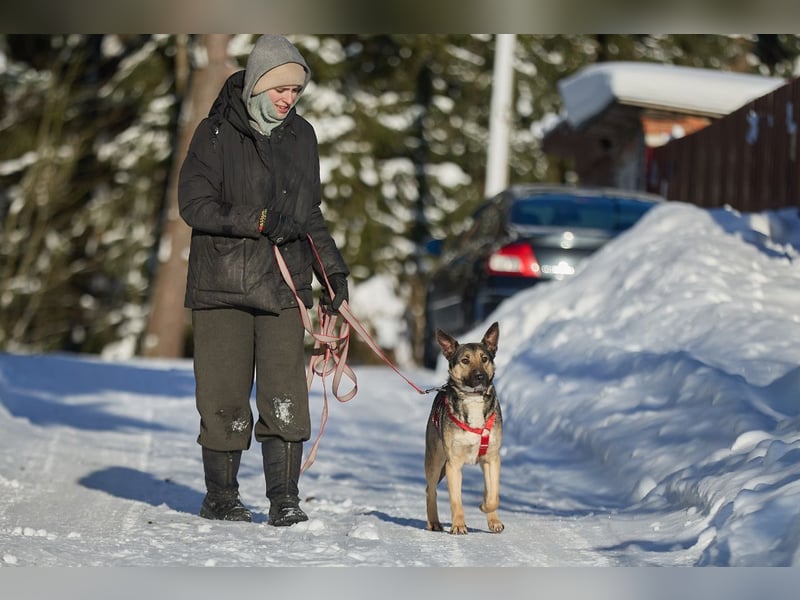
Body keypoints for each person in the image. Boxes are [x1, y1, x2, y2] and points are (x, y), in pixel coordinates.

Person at [178, 34, 350, 526]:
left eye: (295, 91)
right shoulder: (215, 134)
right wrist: (257, 219)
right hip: (222, 284)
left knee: (285, 395)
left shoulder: (303, 137)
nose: (288, 98)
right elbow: (194, 205)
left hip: (282, 286)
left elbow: (308, 214)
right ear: (256, 85)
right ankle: (222, 498)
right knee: (224, 395)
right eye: (279, 89)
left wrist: (332, 271)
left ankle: (284, 500)